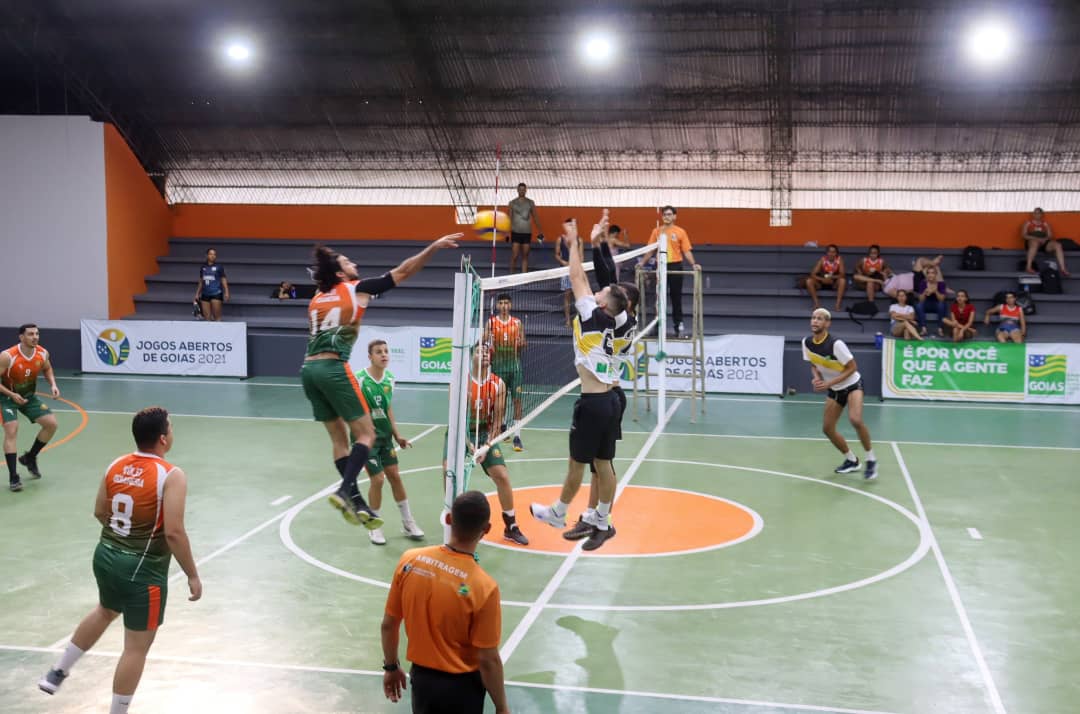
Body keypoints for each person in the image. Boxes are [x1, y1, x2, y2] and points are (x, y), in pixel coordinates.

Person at [38, 407, 201, 714]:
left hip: (105, 555)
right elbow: (175, 533)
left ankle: (57, 672)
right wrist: (192, 574)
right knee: (136, 647)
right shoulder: (171, 475)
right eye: (171, 427)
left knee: (105, 610)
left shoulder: (117, 464)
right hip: (142, 569)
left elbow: (101, 511)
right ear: (164, 439)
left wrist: (121, 540)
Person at [303, 235, 461, 529]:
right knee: (367, 435)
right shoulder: (355, 289)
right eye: (348, 262)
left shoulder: (316, 299)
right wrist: (432, 247)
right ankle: (344, 490)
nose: (355, 264)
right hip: (333, 367)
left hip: (308, 370)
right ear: (340, 273)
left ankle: (354, 497)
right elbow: (402, 272)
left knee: (339, 440)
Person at [530, 218, 630, 551]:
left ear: (601, 303)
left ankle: (558, 512)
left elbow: (576, 277)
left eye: (600, 292)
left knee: (577, 463)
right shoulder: (611, 320)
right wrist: (590, 241)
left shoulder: (590, 314)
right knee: (603, 463)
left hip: (592, 404)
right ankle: (601, 518)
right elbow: (593, 280)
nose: (595, 290)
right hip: (610, 400)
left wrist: (574, 242)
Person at [380, 491, 510, 714]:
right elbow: (488, 659)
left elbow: (388, 624)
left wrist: (391, 667)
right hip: (462, 690)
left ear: (449, 519)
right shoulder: (484, 587)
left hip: (422, 683)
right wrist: (501, 708)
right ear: (486, 530)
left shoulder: (410, 560)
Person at [563, 280, 639, 542]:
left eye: (619, 292)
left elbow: (606, 295)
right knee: (598, 465)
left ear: (625, 303)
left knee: (600, 465)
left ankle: (599, 520)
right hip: (607, 394)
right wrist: (599, 243)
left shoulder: (620, 321)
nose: (611, 289)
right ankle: (591, 518)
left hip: (608, 395)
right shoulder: (621, 319)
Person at [445, 345, 529, 546]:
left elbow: (498, 420)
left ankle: (511, 526)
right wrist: (469, 444)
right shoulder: (459, 383)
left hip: (485, 432)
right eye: (478, 351)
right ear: (471, 356)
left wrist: (487, 445)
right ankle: (452, 523)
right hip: (460, 431)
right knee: (448, 472)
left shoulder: (498, 384)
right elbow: (456, 419)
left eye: (486, 352)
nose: (483, 354)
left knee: (502, 475)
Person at [358, 340, 425, 546]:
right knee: (378, 480)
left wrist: (397, 435)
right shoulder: (360, 379)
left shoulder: (390, 379)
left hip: (385, 437)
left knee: (395, 477)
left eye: (386, 351)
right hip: (366, 439)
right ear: (370, 356)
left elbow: (388, 409)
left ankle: (407, 522)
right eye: (379, 352)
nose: (384, 355)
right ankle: (374, 525)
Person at [803, 308, 876, 480]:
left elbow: (852, 368)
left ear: (827, 323)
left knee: (855, 420)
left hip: (852, 385)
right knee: (827, 429)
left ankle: (871, 459)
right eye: (813, 318)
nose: (815, 321)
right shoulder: (806, 342)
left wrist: (828, 383)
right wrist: (816, 378)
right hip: (835, 390)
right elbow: (813, 364)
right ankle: (851, 460)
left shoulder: (836, 344)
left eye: (819, 319)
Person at [1, 324, 60, 492]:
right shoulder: (8, 356)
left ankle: (30, 457)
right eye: (30, 334)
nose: (35, 337)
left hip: (28, 396)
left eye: (37, 333)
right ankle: (14, 476)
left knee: (51, 424)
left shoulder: (42, 353)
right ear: (21, 337)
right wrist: (12, 395)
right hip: (6, 397)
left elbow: (47, 368)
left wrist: (53, 385)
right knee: (12, 429)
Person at [639, 206, 700, 338]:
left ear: (674, 216)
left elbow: (686, 250)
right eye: (664, 215)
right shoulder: (656, 231)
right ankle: (657, 326)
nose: (666, 217)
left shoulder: (680, 232)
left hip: (676, 266)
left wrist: (693, 264)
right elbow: (650, 250)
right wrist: (641, 263)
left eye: (669, 214)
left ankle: (679, 326)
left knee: (675, 297)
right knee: (658, 298)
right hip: (660, 266)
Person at [486, 294, 526, 452]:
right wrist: (487, 342)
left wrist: (522, 343)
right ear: (497, 306)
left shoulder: (517, 323)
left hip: (514, 368)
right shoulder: (491, 322)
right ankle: (501, 427)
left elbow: (523, 342)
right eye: (501, 303)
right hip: (498, 368)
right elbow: (484, 341)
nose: (503, 306)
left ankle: (517, 436)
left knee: (517, 401)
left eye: (506, 303)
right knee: (499, 403)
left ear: (510, 305)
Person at [507, 182, 544, 274]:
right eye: (520, 189)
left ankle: (524, 276)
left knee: (525, 256)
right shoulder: (512, 203)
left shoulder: (530, 203)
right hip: (515, 232)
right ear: (517, 190)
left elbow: (535, 217)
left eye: (523, 189)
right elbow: (509, 218)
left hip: (527, 233)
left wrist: (540, 231)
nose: (522, 191)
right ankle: (511, 276)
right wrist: (508, 232)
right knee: (514, 255)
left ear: (526, 190)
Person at [1022, 207, 1070, 277]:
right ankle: (1028, 267)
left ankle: (1063, 269)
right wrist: (1036, 238)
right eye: (1035, 213)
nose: (1036, 214)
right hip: (1032, 242)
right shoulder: (1028, 223)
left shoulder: (1045, 224)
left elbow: (1050, 236)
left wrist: (1044, 239)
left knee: (1058, 245)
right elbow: (1024, 235)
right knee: (1035, 243)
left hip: (1043, 242)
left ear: (1041, 214)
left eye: (1038, 213)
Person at [554, 223, 583, 327]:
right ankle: (567, 320)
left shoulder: (579, 240)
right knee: (567, 296)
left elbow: (581, 257)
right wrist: (563, 262)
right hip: (565, 270)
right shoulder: (560, 239)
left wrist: (577, 265)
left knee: (578, 296)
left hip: (576, 270)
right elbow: (556, 255)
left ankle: (579, 321)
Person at [805, 244, 847, 311]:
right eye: (829, 252)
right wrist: (823, 279)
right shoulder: (822, 260)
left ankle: (837, 305)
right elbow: (813, 274)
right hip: (821, 283)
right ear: (827, 253)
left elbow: (842, 274)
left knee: (842, 281)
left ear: (836, 253)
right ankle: (816, 303)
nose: (831, 254)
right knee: (809, 281)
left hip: (833, 283)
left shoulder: (839, 260)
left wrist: (831, 277)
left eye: (833, 252)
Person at [913, 264, 950, 337]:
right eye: (928, 273)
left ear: (936, 275)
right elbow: (921, 300)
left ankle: (940, 328)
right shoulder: (923, 283)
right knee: (918, 305)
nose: (930, 275)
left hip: (937, 304)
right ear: (926, 275)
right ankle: (923, 328)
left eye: (932, 273)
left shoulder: (941, 284)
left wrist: (935, 291)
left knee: (942, 304)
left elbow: (942, 299)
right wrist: (924, 292)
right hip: (927, 304)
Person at [194, 248, 229, 321]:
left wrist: (226, 292)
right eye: (211, 254)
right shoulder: (203, 267)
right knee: (207, 319)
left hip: (216, 293)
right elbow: (201, 281)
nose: (213, 256)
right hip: (205, 294)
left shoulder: (219, 267)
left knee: (217, 318)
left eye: (214, 254)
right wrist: (197, 294)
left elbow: (223, 279)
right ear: (206, 255)